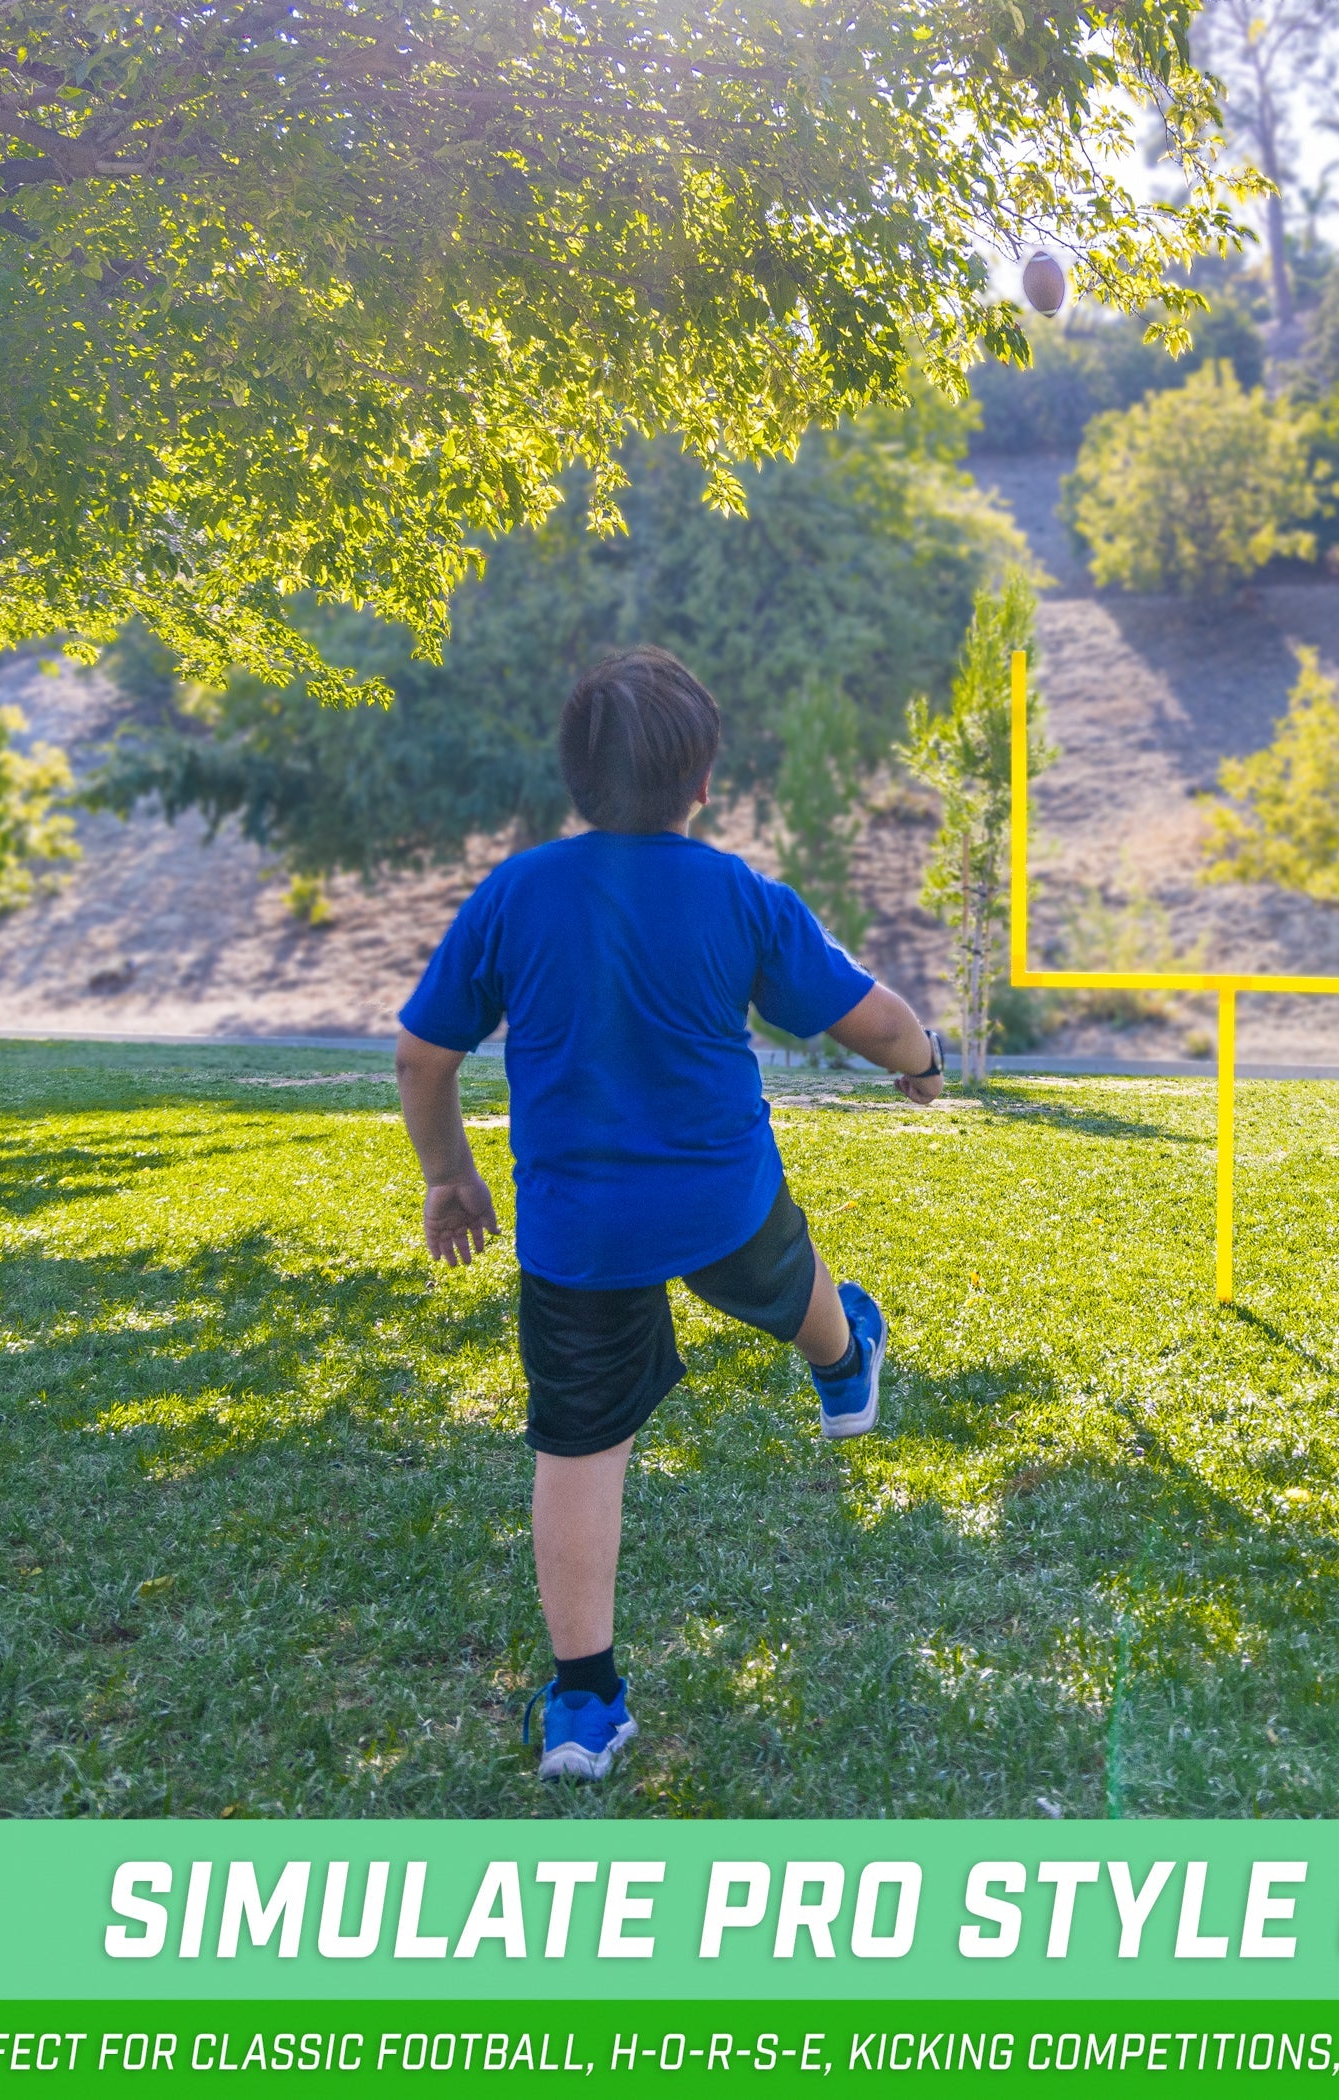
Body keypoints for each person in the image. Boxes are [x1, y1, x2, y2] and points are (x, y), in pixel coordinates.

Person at [392, 645, 947, 1782]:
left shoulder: (515, 892)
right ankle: (847, 1366)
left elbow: (420, 1058)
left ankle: (584, 1709)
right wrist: (924, 1060)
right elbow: (874, 1018)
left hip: (575, 1230)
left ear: (573, 780)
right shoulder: (738, 893)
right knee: (787, 1286)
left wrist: (449, 1176)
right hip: (718, 1197)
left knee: (581, 1439)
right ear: (704, 784)